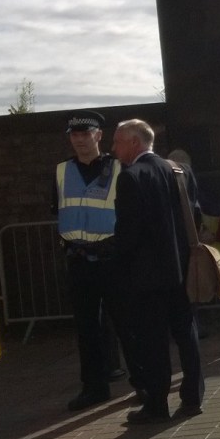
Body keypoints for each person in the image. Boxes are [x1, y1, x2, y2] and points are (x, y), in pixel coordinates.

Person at [106, 119, 206, 424]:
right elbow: (196, 215)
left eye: (117, 142)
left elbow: (128, 234)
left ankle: (157, 404)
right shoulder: (180, 170)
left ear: (134, 143)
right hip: (182, 269)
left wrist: (113, 259)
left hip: (146, 276)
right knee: (186, 333)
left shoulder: (130, 177)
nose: (113, 148)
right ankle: (193, 397)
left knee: (153, 341)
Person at [52, 110, 135, 411]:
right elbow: (56, 209)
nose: (80, 140)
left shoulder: (118, 167)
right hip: (78, 260)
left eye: (86, 134)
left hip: (111, 258)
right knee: (87, 329)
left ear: (99, 135)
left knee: (127, 324)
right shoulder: (61, 171)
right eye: (75, 135)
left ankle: (141, 383)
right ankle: (94, 387)